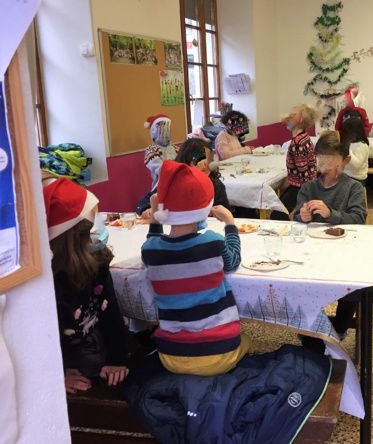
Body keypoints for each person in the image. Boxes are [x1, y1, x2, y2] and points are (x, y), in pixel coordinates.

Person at [141, 160, 251, 375]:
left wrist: (156, 217)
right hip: (218, 354)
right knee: (247, 340)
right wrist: (230, 224)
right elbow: (233, 261)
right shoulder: (212, 241)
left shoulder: (152, 250)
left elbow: (151, 243)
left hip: (171, 356)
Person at [44, 178, 129, 393]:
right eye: (94, 222)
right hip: (64, 353)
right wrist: (57, 373)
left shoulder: (97, 260)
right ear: (74, 238)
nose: (99, 228)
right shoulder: (51, 284)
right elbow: (46, 336)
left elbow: (110, 310)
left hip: (91, 338)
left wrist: (117, 358)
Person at [294, 131, 367, 343]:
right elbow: (297, 215)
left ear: (345, 161)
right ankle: (312, 326)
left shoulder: (353, 188)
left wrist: (330, 214)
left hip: (344, 252)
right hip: (310, 252)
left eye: (332, 160)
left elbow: (359, 218)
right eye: (322, 159)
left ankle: (341, 325)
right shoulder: (309, 188)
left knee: (353, 283)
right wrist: (302, 215)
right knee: (302, 283)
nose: (327, 166)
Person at [136, 138, 231, 219]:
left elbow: (226, 213)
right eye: (197, 161)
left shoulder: (215, 185)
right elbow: (143, 202)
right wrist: (148, 209)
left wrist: (219, 213)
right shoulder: (172, 181)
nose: (204, 166)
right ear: (185, 163)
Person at [271, 104, 318, 220]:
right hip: (302, 185)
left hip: (301, 187)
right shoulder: (304, 138)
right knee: (280, 210)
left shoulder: (298, 143)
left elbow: (303, 170)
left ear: (299, 120)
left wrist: (306, 194)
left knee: (278, 214)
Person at [143, 115, 179, 191]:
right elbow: (162, 170)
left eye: (168, 129)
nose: (167, 133)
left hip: (178, 187)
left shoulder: (175, 148)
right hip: (161, 189)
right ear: (154, 130)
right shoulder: (151, 150)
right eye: (164, 129)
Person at [341, 118, 370, 186]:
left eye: (347, 132)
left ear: (355, 132)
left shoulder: (362, 145)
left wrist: (347, 149)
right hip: (346, 176)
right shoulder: (351, 144)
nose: (345, 135)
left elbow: (356, 165)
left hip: (356, 179)